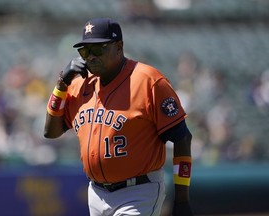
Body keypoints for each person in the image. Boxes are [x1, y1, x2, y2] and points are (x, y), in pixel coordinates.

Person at [44, 17, 193, 216]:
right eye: (85, 51)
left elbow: (182, 137)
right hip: (96, 193)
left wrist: (182, 199)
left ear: (119, 46)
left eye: (97, 49)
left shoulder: (148, 81)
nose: (91, 57)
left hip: (139, 190)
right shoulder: (79, 86)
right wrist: (61, 85)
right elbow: (50, 131)